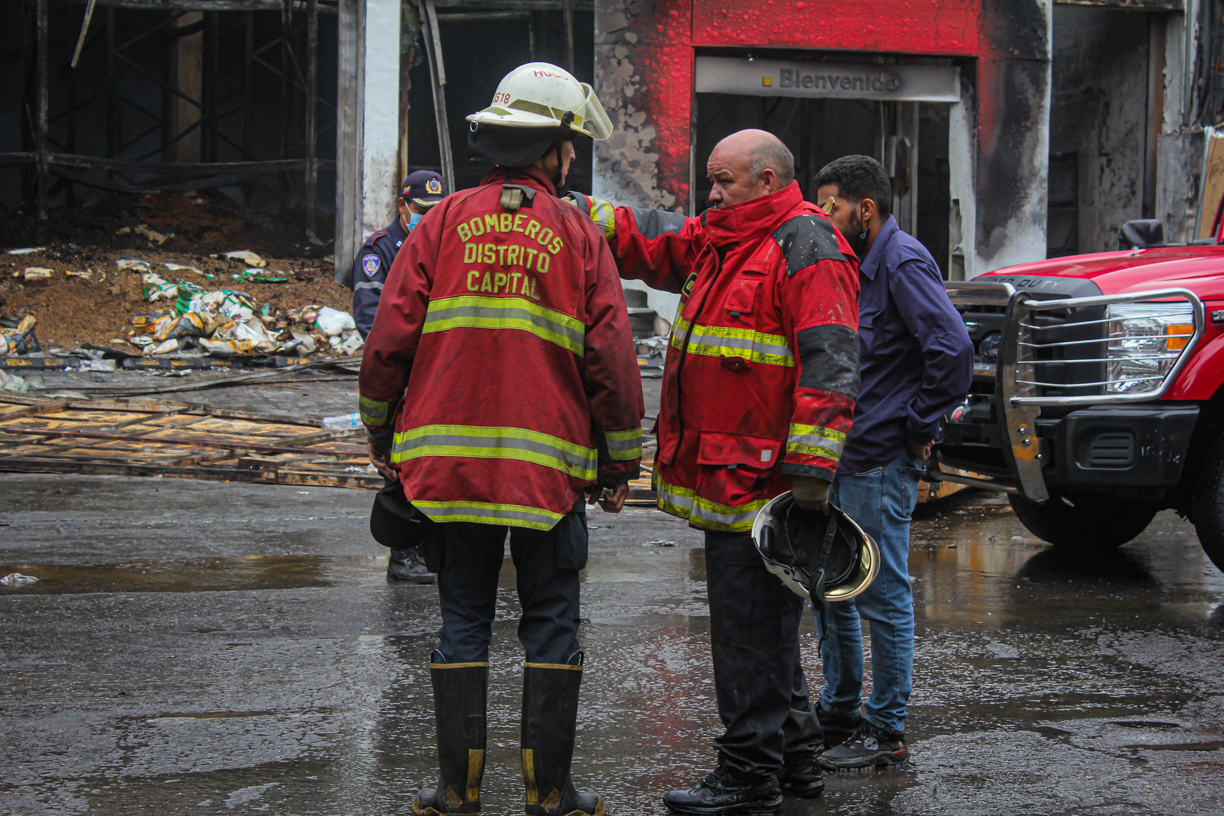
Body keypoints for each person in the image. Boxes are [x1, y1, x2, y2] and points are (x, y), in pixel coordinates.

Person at [358, 62, 643, 816]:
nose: (573, 158)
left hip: (449, 472)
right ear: (552, 150)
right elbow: (611, 354)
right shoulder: (579, 233)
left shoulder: (441, 221)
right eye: (570, 145)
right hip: (548, 478)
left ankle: (456, 792)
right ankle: (550, 793)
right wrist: (619, 460)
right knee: (551, 622)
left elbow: (388, 340)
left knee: (462, 621)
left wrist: (382, 432)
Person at [568, 129, 860, 815]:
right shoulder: (726, 238)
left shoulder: (805, 244)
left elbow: (832, 361)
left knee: (747, 632)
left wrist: (813, 474)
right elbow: (653, 237)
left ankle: (746, 776)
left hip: (766, 489)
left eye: (723, 180)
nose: (712, 192)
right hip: (735, 480)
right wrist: (574, 204)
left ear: (764, 179)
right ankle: (794, 762)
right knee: (765, 628)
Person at [811, 155, 973, 770]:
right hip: (842, 458)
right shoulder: (853, 265)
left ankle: (886, 732)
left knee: (881, 592)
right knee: (833, 588)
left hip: (879, 460)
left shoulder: (901, 261)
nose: (823, 217)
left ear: (865, 209)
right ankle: (841, 710)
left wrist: (917, 427)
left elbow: (952, 350)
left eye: (831, 206)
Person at [352, 169, 447, 584]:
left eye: (434, 212)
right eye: (420, 211)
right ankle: (402, 556)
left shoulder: (445, 246)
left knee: (432, 461)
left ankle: (428, 549)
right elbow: (371, 320)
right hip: (399, 373)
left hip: (435, 375)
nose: (426, 219)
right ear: (402, 207)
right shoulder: (380, 250)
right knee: (399, 464)